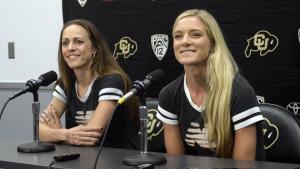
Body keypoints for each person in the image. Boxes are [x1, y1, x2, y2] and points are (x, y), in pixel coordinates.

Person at [156, 9, 265, 160]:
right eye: (178, 36)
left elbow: (244, 165)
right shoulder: (168, 94)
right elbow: (176, 162)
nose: (185, 41)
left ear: (212, 43)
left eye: (196, 34)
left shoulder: (239, 91)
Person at [39, 19, 139, 149]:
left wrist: (56, 134)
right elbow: (39, 131)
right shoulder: (66, 84)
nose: (70, 48)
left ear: (95, 49)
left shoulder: (112, 81)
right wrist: (65, 135)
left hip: (119, 159)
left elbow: (91, 136)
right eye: (65, 43)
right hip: (85, 158)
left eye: (79, 42)